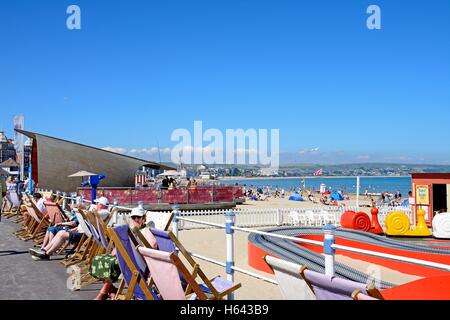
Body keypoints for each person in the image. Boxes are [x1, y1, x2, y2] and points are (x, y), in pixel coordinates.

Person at [89, 206, 158, 300]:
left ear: (144, 217)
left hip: (139, 263)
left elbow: (153, 244)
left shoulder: (146, 230)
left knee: (113, 264)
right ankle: (111, 289)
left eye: (139, 217)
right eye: (134, 217)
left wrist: (140, 251)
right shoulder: (134, 230)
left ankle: (103, 293)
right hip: (130, 258)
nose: (136, 219)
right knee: (99, 259)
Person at [29, 196, 111, 260]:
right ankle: (44, 250)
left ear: (100, 205)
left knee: (62, 235)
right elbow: (87, 221)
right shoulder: (99, 212)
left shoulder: (105, 212)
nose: (96, 205)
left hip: (85, 235)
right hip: (82, 232)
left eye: (97, 204)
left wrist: (89, 210)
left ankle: (47, 253)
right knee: (60, 233)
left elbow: (90, 215)